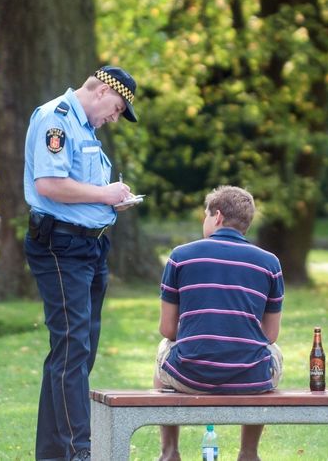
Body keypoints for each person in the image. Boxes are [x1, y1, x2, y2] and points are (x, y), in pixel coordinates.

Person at [24, 65, 141, 461]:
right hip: (61, 246)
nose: (115, 118)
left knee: (76, 353)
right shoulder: (55, 120)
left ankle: (54, 454)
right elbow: (49, 185)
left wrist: (111, 199)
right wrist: (105, 194)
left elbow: (82, 189)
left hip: (91, 247)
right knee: (72, 350)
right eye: (118, 109)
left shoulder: (86, 129)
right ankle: (79, 452)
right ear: (102, 91)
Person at [155, 185, 285, 461]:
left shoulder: (180, 256)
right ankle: (248, 452)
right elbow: (270, 335)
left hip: (189, 375)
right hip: (252, 378)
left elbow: (168, 330)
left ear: (217, 216)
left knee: (163, 350)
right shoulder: (269, 263)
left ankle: (169, 452)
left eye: (206, 215)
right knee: (273, 352)